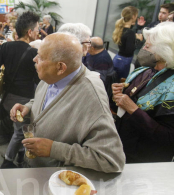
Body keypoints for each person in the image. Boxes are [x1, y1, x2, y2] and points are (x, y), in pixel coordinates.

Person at [11, 32, 125, 173]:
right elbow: (51, 102)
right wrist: (28, 107)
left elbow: (112, 160)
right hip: (36, 169)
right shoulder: (51, 76)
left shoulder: (91, 96)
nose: (34, 59)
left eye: (40, 57)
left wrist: (55, 150)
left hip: (56, 180)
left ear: (60, 67)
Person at [112, 22, 174, 163]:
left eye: (148, 45)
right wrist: (116, 97)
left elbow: (168, 137)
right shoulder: (145, 70)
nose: (144, 48)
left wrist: (133, 109)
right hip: (123, 149)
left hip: (145, 160)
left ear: (167, 50)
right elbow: (120, 109)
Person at [0, 11, 41, 168]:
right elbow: (38, 80)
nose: (38, 32)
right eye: (37, 29)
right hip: (23, 100)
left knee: (17, 129)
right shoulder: (33, 52)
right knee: (21, 132)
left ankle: (19, 156)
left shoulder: (6, 47)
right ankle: (8, 162)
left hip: (8, 97)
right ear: (29, 32)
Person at [112, 6, 143, 79]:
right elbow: (129, 50)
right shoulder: (130, 33)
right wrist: (138, 40)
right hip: (124, 62)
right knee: (121, 83)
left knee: (114, 80)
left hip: (118, 59)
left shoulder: (121, 29)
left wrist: (138, 27)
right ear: (133, 16)